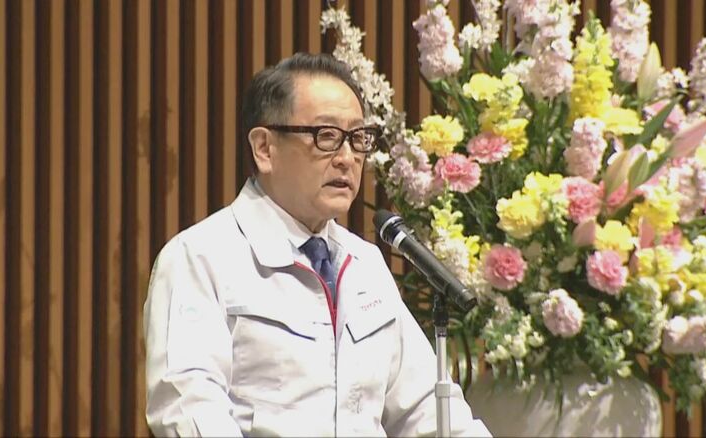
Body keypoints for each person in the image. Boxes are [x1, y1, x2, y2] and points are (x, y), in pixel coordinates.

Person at [143, 53, 491, 437]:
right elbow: (189, 409)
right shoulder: (200, 257)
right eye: (326, 136)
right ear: (264, 148)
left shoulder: (366, 263)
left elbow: (428, 411)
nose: (347, 158)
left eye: (357, 138)